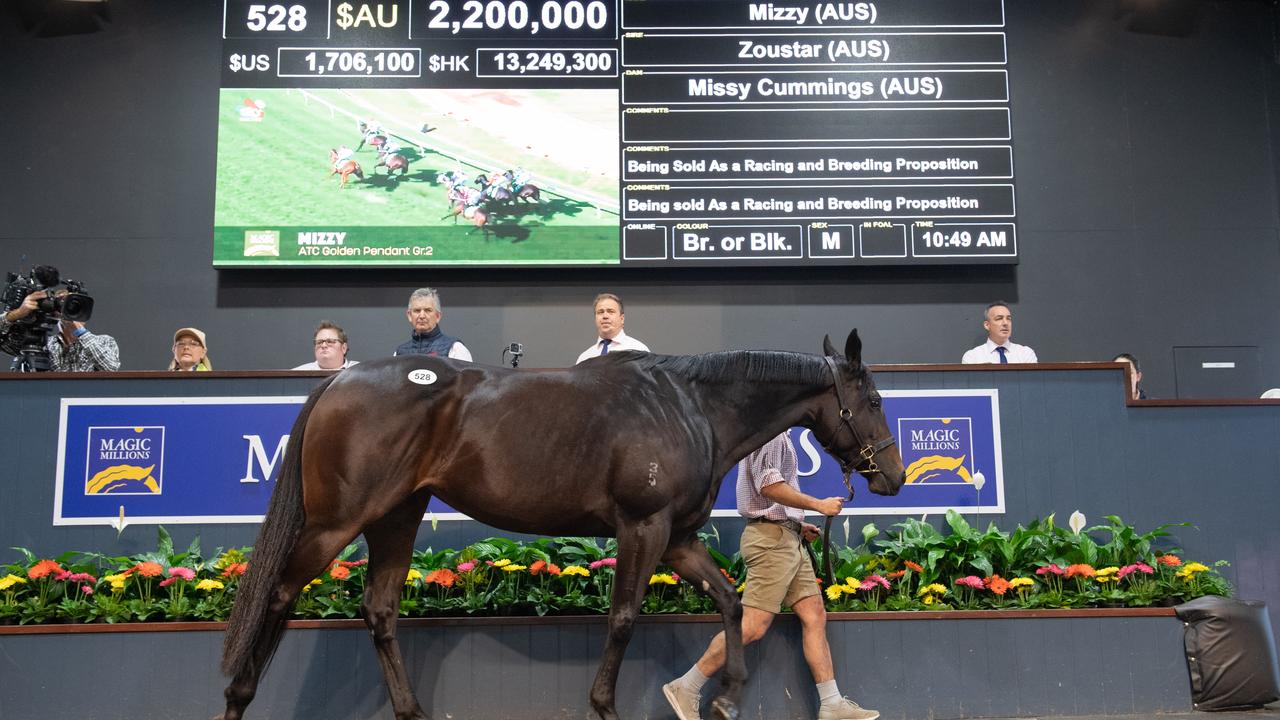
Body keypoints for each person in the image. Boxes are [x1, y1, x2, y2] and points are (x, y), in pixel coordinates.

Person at [663, 432, 879, 720]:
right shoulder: (772, 435)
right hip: (771, 541)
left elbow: (771, 492)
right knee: (752, 625)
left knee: (814, 614)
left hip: (787, 536)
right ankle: (686, 687)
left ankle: (832, 704)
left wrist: (797, 525)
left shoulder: (779, 434)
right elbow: (769, 486)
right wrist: (818, 505)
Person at [0, 290, 120, 371]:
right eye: (67, 305)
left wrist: (79, 331)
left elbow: (111, 367)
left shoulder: (105, 341)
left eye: (77, 307)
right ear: (56, 312)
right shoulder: (43, 345)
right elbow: (4, 345)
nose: (73, 311)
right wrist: (16, 314)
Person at [394, 288, 472, 360]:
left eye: (428, 310)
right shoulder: (399, 353)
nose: (422, 316)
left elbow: (469, 375)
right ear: (409, 316)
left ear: (438, 316)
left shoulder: (455, 349)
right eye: (417, 310)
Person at [575, 293, 649, 364]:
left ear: (622, 319)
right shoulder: (584, 358)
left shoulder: (639, 350)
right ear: (595, 318)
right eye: (600, 312)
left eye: (610, 311)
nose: (605, 316)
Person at [960, 301, 1037, 364]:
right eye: (999, 318)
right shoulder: (973, 357)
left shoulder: (1026, 354)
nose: (1005, 323)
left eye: (1008, 318)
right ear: (987, 325)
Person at [293, 321, 358, 370]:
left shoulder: (361, 371)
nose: (323, 345)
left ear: (344, 348)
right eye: (319, 342)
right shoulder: (297, 374)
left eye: (330, 341)